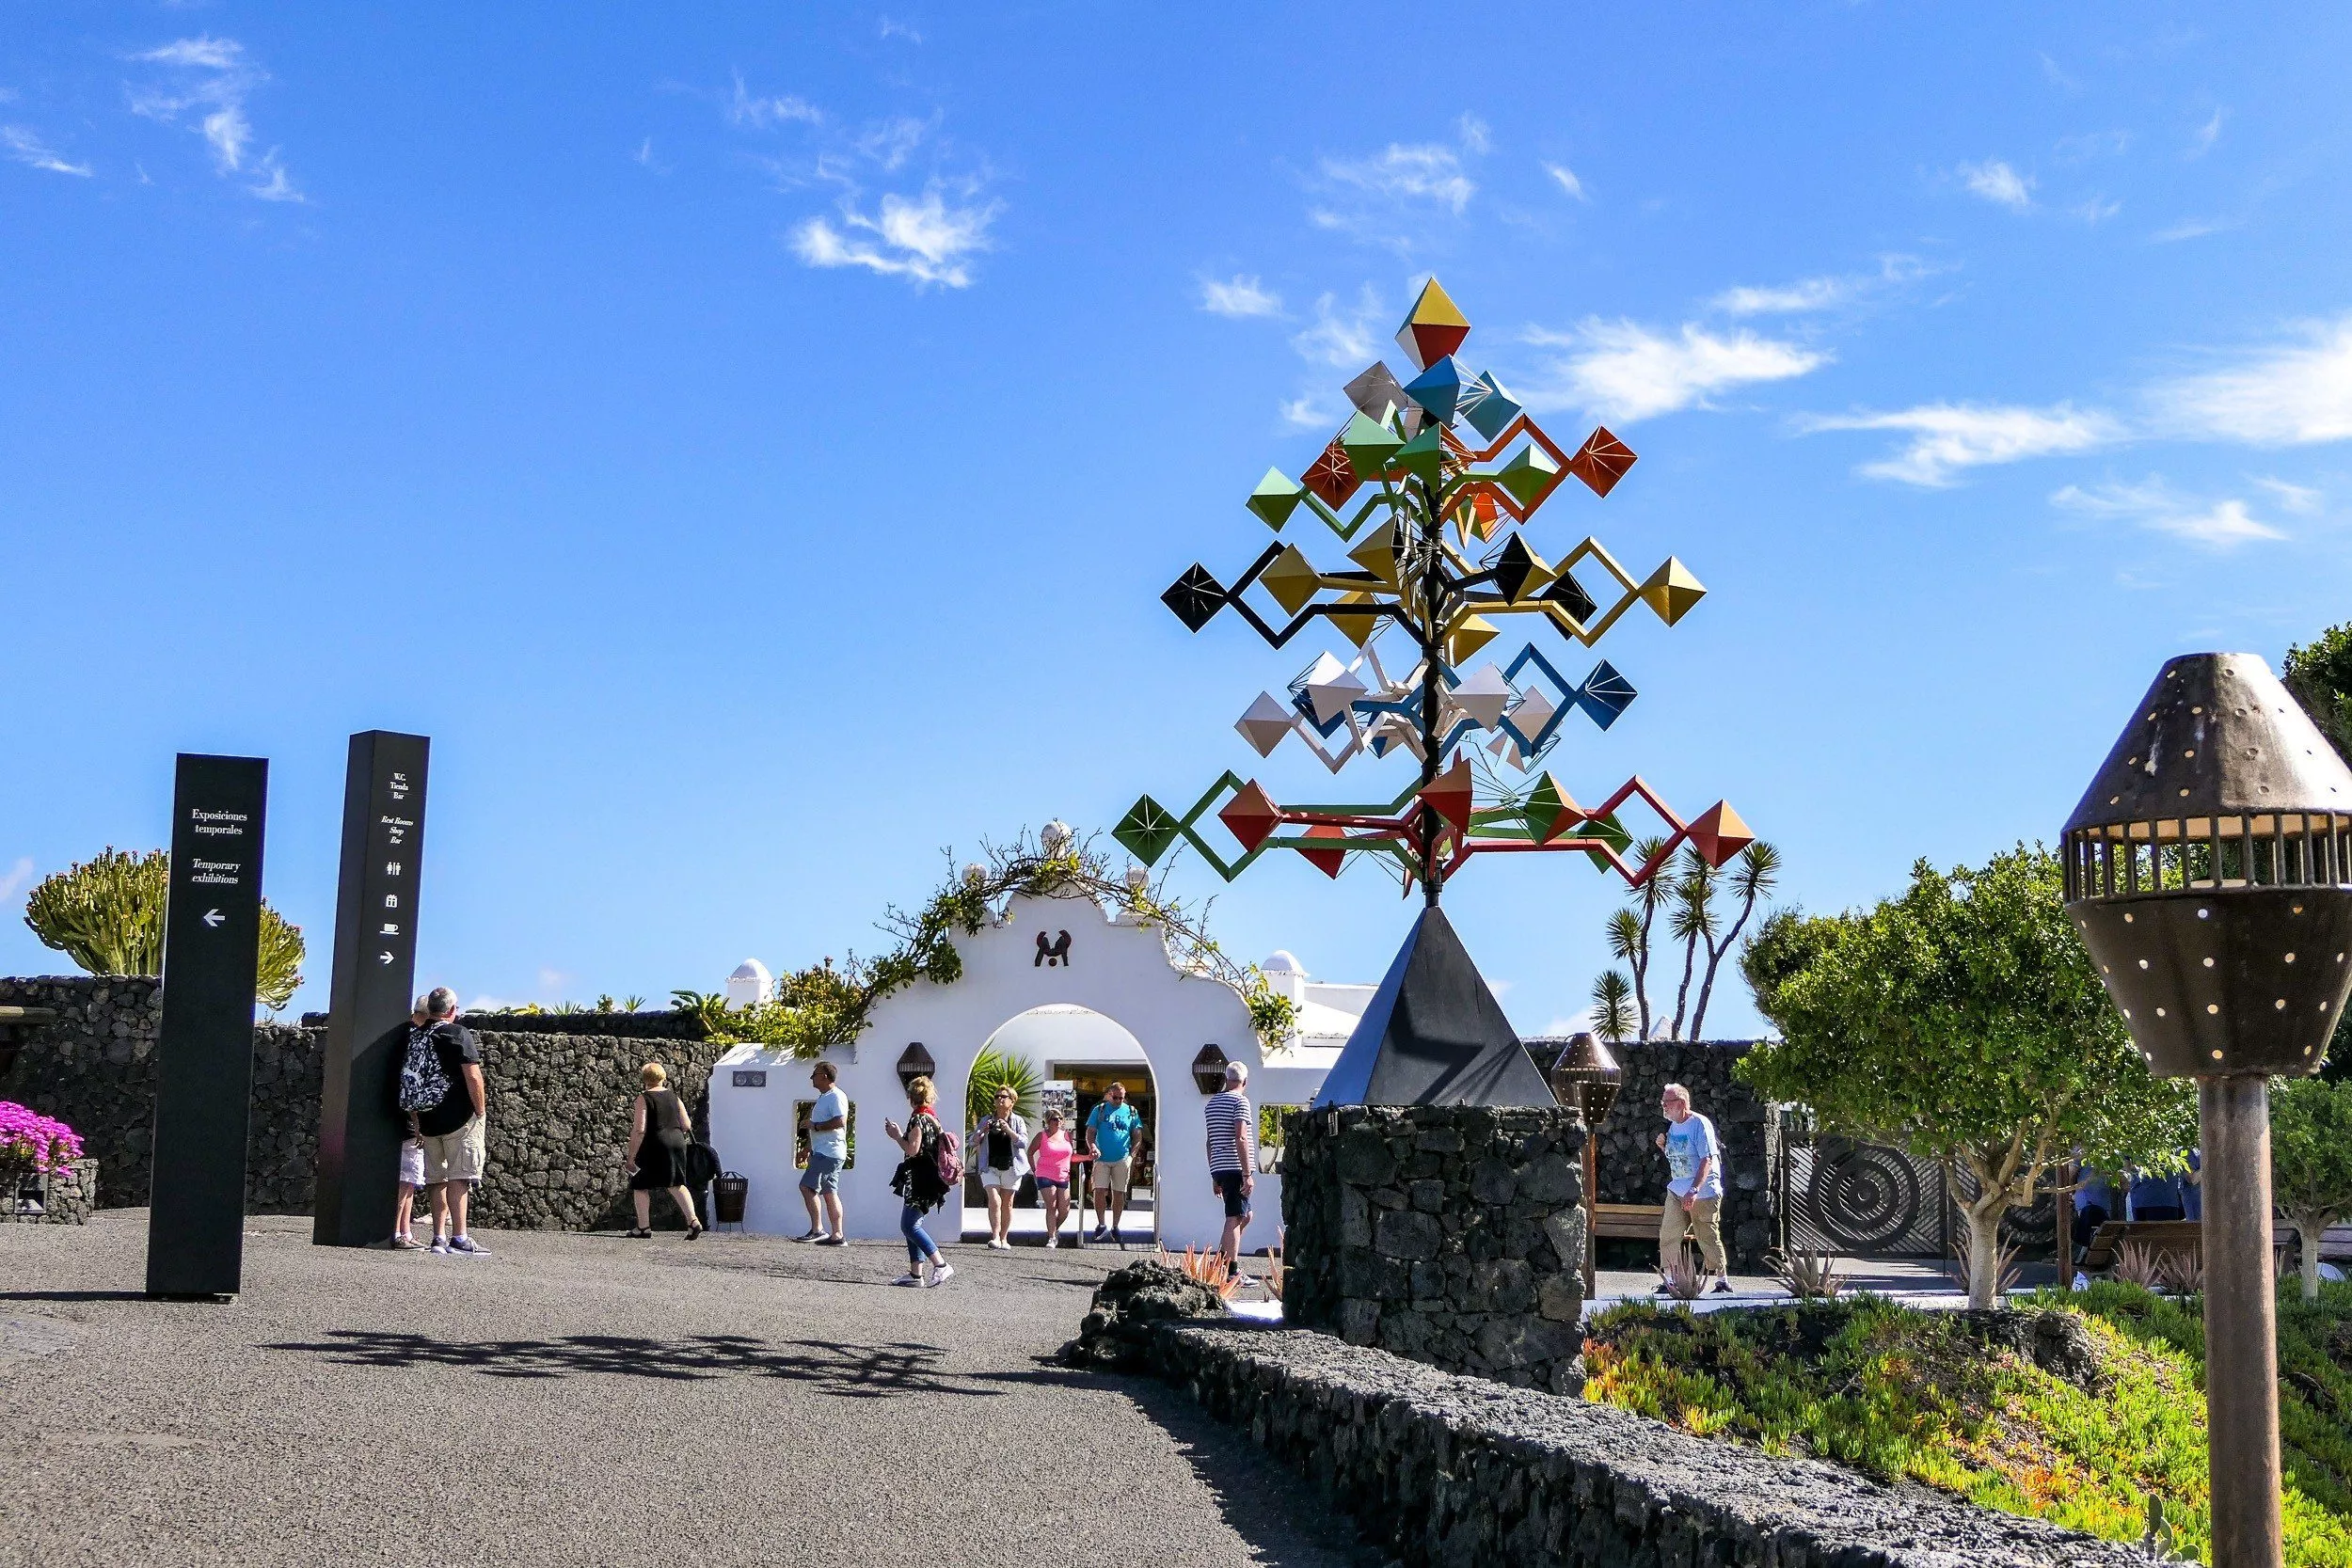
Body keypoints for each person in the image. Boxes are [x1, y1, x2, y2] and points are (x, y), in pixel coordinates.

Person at [412, 988, 490, 1257]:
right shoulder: (458, 1034)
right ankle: (460, 1236)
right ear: (452, 1010)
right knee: (460, 1177)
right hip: (458, 1118)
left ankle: (438, 1238)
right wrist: (480, 1111)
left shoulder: (416, 1036)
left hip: (427, 1118)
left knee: (436, 1178)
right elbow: (473, 1077)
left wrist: (416, 1119)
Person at [1654, 1083, 1729, 1294]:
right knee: (1668, 1233)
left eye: (1666, 1103)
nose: (1664, 1107)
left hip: (1703, 1192)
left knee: (1707, 1235)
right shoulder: (1673, 1126)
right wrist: (1664, 1147)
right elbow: (1678, 1159)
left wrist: (1694, 1190)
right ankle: (1669, 1280)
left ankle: (1722, 1280)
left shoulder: (1700, 1124)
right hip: (1677, 1190)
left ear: (1681, 1103)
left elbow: (1707, 1160)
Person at [884, 1075, 956, 1288]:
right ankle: (916, 1275)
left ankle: (941, 1264)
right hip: (930, 1178)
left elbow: (912, 1150)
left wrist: (897, 1135)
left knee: (909, 1225)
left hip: (921, 1179)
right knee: (912, 1224)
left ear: (910, 1097)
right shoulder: (933, 1118)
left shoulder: (918, 1119)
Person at [625, 1062, 703, 1239]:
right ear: (663, 1077)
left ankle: (643, 1227)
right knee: (676, 1184)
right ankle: (693, 1221)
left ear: (645, 1079)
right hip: (676, 1142)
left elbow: (639, 1129)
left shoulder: (643, 1098)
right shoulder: (674, 1097)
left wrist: (631, 1157)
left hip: (653, 1144)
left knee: (640, 1185)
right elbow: (686, 1124)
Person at [1204, 1062, 1256, 1264]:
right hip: (1235, 1167)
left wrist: (1214, 1175)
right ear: (1245, 1081)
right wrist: (1247, 1174)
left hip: (1220, 1166)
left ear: (1227, 1079)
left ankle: (1220, 1260)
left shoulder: (1212, 1104)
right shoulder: (1240, 1102)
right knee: (1234, 1218)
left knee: (1246, 1214)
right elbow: (1240, 1137)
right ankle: (1231, 1269)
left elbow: (1210, 1142)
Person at [794, 1061, 849, 1246]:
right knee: (829, 1192)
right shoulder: (825, 1097)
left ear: (824, 1076)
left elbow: (840, 1121)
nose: (812, 1078)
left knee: (807, 1187)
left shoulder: (835, 1096)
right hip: (826, 1152)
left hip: (828, 1153)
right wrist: (808, 1148)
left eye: (815, 1074)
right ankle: (837, 1235)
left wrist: (814, 1125)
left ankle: (818, 1230)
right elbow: (821, 1128)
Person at [1085, 1080, 1144, 1246]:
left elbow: (1137, 1134)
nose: (1119, 1101)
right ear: (1109, 1095)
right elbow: (1090, 1131)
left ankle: (1115, 1226)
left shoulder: (1131, 1111)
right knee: (1099, 1190)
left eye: (1122, 1098)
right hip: (1101, 1158)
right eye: (1116, 1097)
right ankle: (1101, 1223)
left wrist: (1131, 1155)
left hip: (1122, 1158)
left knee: (1119, 1192)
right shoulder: (1100, 1110)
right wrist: (1093, 1146)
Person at [971, 1085, 1031, 1249]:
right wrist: (983, 1131)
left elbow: (1023, 1142)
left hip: (1012, 1167)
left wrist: (1009, 1130)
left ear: (1012, 1101)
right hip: (990, 1165)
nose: (999, 1099)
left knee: (1007, 1203)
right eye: (997, 1097)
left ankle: (1004, 1238)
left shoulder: (1017, 1121)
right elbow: (973, 1141)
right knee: (994, 1200)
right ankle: (995, 1236)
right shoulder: (986, 1120)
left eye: (1003, 1097)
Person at [1029, 1107, 1075, 1248]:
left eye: (1060, 1118)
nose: (1058, 1121)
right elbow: (1030, 1152)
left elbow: (1071, 1156)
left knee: (1064, 1209)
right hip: (1045, 1174)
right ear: (1048, 1121)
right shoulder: (1042, 1136)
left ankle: (1053, 1229)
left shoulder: (1067, 1136)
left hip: (1063, 1175)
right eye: (1055, 1119)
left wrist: (1087, 1157)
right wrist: (1034, 1170)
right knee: (1052, 1206)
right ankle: (1052, 1237)